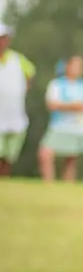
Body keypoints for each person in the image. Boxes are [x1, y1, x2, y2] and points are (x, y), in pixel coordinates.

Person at [39, 55, 83, 182]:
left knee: (71, 158)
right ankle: (48, 183)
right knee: (45, 154)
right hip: (59, 125)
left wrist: (68, 106)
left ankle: (68, 185)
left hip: (78, 127)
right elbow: (52, 105)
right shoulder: (56, 84)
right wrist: (73, 106)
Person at [0, 23, 36, 177]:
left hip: (15, 114)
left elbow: (30, 74)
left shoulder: (18, 59)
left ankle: (4, 182)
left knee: (9, 156)